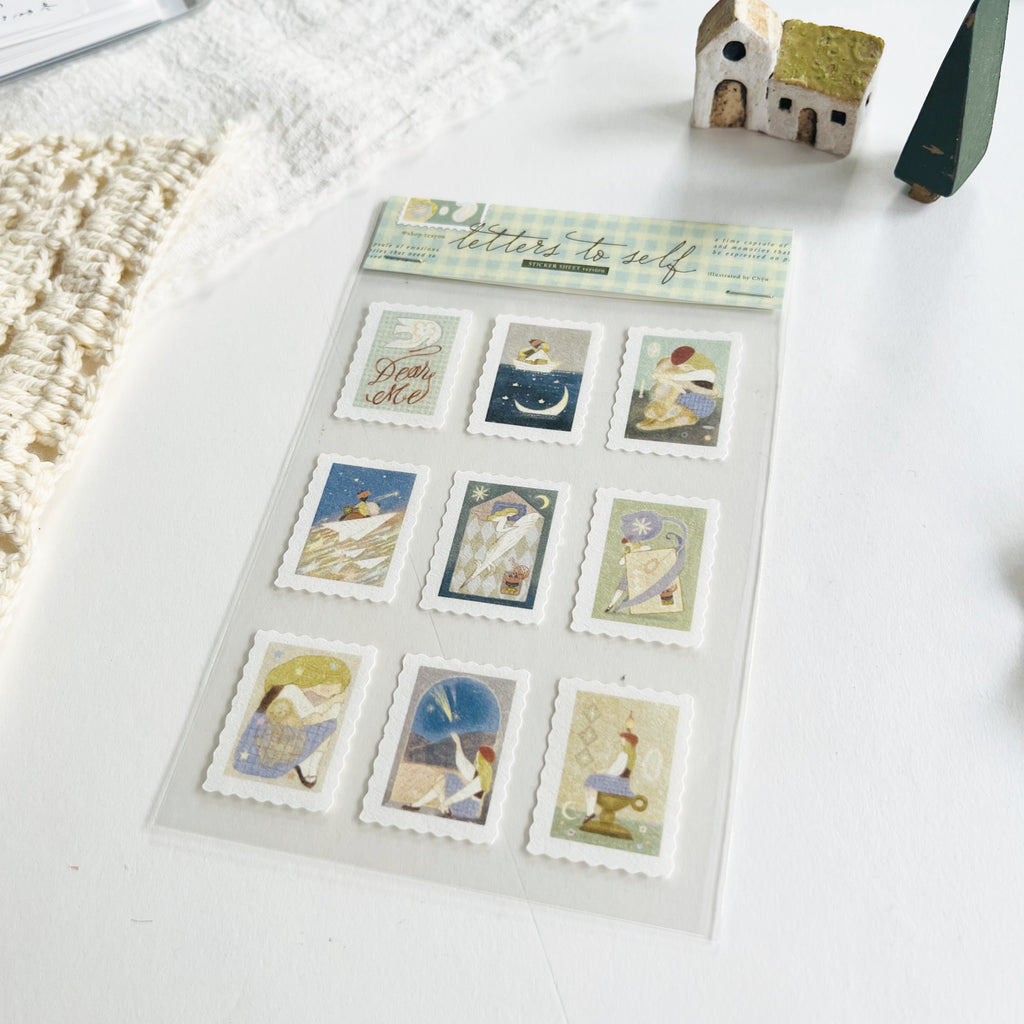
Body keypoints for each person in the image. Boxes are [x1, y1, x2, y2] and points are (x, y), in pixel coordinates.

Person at [233, 655, 351, 789]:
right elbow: (307, 715)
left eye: (332, 693)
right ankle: (307, 760)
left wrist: (330, 705)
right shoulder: (290, 690)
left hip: (291, 734)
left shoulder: (307, 694)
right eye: (326, 689)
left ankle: (311, 761)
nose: (326, 695)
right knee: (328, 723)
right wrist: (331, 703)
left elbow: (312, 714)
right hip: (277, 737)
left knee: (330, 721)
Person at [402, 732, 495, 820]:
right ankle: (421, 805)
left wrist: (446, 802)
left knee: (446, 778)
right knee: (445, 778)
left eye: (478, 755)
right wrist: (458, 743)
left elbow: (464, 793)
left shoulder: (481, 779)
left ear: (481, 759)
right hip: (466, 803)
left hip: (468, 809)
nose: (476, 757)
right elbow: (462, 763)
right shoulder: (477, 772)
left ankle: (423, 806)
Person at [582, 714, 639, 824]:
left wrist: (602, 772)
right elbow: (617, 769)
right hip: (622, 782)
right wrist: (604, 771)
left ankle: (590, 812)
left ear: (627, 742)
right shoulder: (630, 757)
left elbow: (614, 771)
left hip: (616, 782)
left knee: (591, 780)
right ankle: (589, 812)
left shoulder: (623, 755)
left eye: (623, 739)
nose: (621, 740)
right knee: (592, 781)